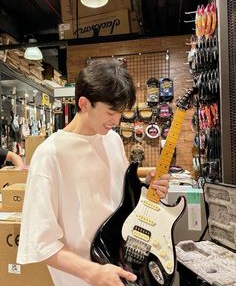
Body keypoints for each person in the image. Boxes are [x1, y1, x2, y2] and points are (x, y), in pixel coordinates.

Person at [17, 59, 170, 286]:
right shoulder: (49, 154)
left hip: (123, 270)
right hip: (80, 280)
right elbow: (41, 242)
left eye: (120, 112)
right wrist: (92, 272)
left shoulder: (113, 140)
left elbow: (118, 202)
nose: (116, 120)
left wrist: (146, 189)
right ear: (84, 103)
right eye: (110, 112)